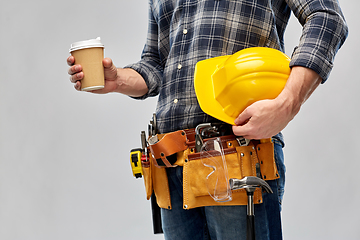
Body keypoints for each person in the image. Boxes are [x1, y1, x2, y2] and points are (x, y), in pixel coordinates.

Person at [67, 0, 348, 239]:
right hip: (171, 164)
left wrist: (288, 103)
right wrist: (117, 80)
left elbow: (327, 17)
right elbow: (156, 63)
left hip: (238, 155)